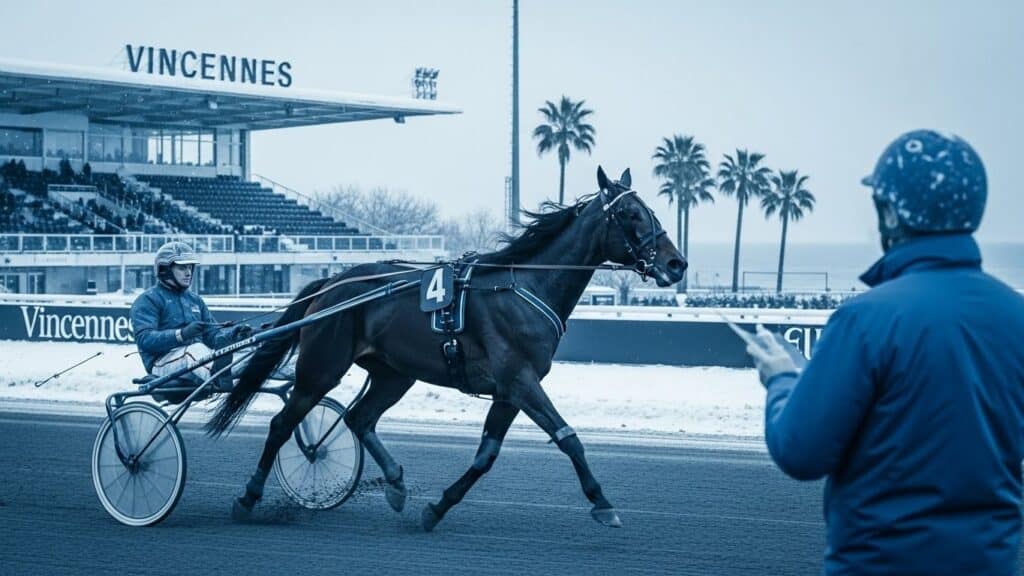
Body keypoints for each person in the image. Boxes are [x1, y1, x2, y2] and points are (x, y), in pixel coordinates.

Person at [743, 130, 1024, 575]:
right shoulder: (1017, 315)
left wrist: (781, 379)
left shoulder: (865, 319)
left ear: (891, 214)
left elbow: (799, 451)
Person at [130, 241, 252, 391]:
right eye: (182, 268)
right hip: (161, 363)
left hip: (196, 361)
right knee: (194, 350)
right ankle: (218, 376)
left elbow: (212, 335)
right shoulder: (148, 299)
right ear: (165, 270)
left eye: (190, 267)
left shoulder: (195, 300)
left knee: (245, 359)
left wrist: (233, 336)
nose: (188, 272)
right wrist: (181, 335)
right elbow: (145, 340)